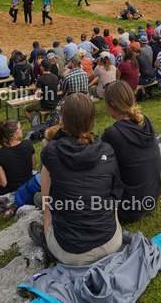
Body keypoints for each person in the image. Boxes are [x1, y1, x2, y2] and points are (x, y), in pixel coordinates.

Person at [29, 93, 123, 266]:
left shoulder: (51, 152)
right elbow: (114, 196)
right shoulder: (107, 150)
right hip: (111, 243)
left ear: (63, 119)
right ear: (92, 119)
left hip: (71, 252)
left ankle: (47, 243)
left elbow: (48, 203)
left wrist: (48, 227)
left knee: (46, 181)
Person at [102, 80, 161, 225]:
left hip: (128, 209)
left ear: (112, 105)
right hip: (151, 198)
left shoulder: (113, 133)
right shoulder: (145, 121)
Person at [0, 119, 37, 195]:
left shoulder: (0, 154)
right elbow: (33, 166)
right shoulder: (27, 144)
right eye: (20, 128)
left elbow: (3, 183)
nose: (22, 129)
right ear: (14, 134)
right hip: (27, 186)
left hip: (10, 191)